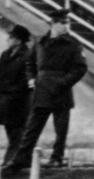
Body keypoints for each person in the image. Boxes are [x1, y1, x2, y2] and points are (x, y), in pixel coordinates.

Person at [7, 10, 88, 170]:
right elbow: (30, 63)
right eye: (63, 23)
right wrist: (31, 79)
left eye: (67, 23)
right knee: (32, 127)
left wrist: (63, 82)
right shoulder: (40, 42)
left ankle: (56, 158)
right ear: (54, 23)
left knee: (61, 129)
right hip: (42, 89)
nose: (66, 26)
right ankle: (21, 159)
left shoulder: (72, 44)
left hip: (61, 90)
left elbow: (80, 68)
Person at [0, 25, 34, 168]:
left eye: (11, 37)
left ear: (19, 41)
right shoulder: (5, 55)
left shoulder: (27, 55)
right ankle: (20, 159)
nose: (8, 40)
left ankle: (12, 160)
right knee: (10, 129)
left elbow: (26, 80)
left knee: (17, 131)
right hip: (4, 99)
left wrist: (11, 92)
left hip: (18, 100)